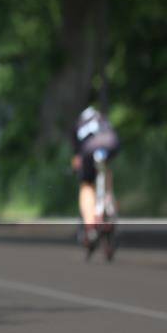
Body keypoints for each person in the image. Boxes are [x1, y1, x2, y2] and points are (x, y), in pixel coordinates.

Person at [71, 105, 119, 246]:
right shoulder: (103, 120)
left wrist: (75, 168)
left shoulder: (78, 125)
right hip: (111, 145)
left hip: (89, 150)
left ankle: (91, 225)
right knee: (105, 171)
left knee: (86, 186)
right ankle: (109, 203)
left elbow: (76, 158)